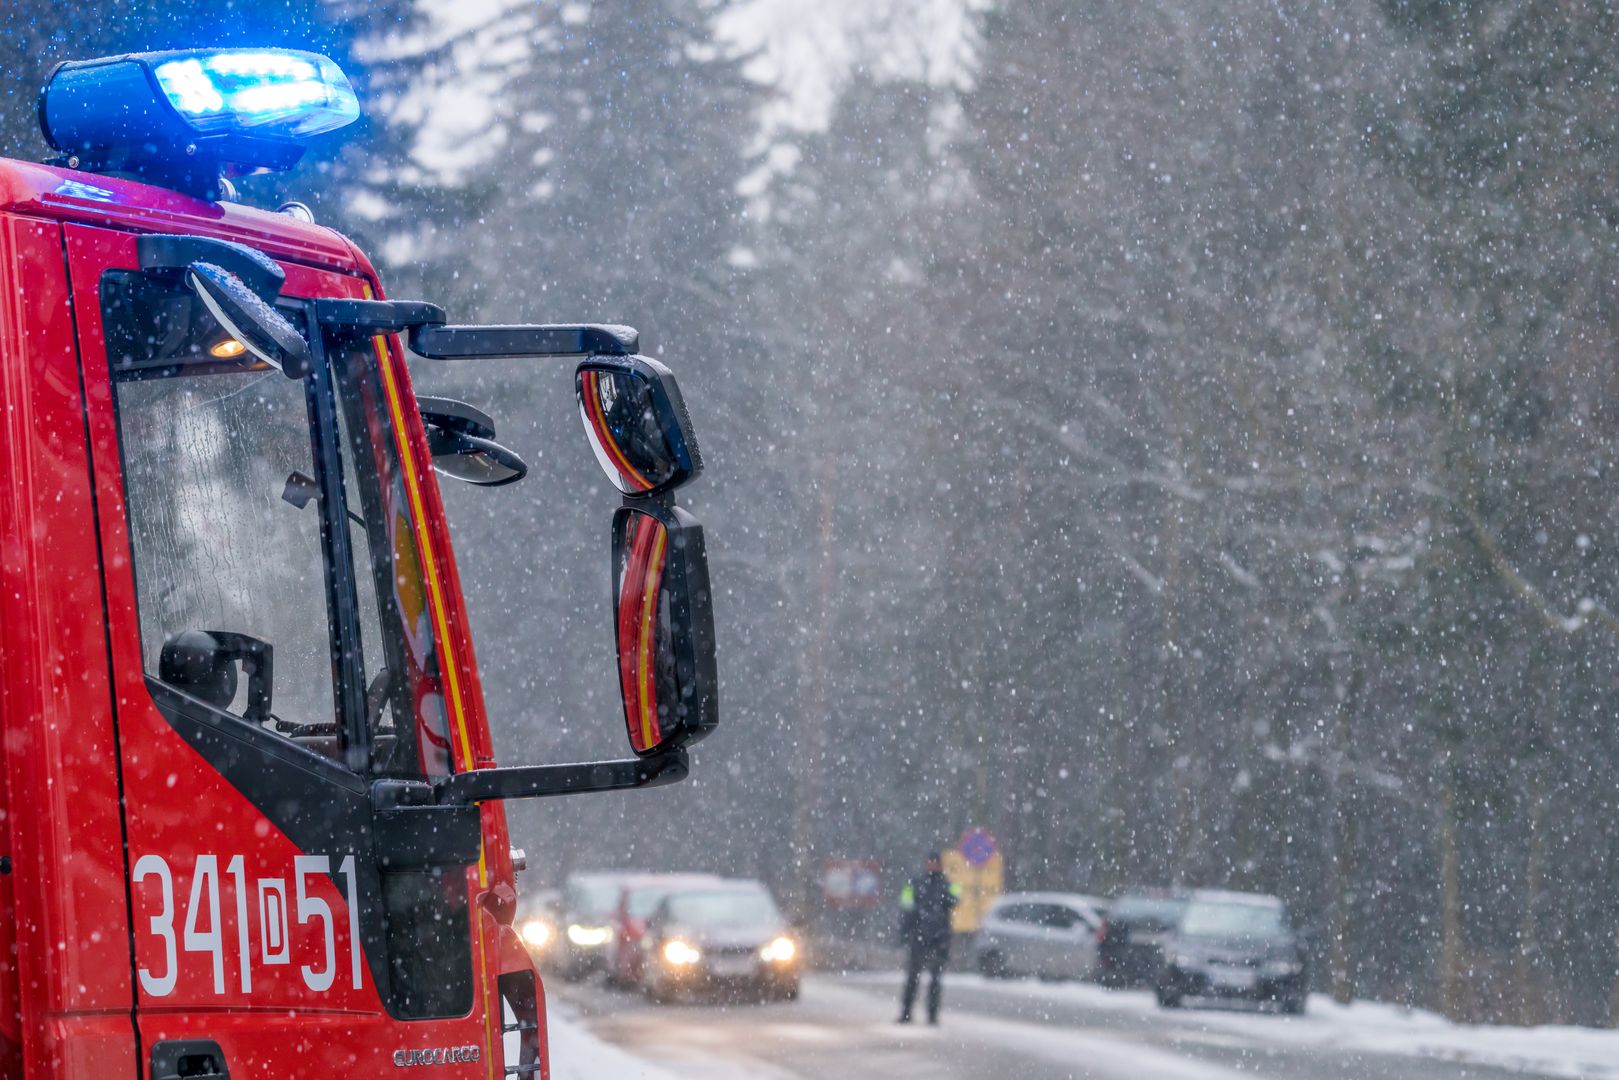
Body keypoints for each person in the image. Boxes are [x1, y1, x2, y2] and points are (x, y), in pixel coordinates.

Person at [897, 850, 960, 1024]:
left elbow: (955, 901)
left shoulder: (945, 885)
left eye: (935, 862)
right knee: (913, 978)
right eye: (930, 862)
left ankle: (931, 1015)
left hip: (938, 939)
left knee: (934, 979)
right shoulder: (916, 884)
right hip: (920, 937)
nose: (932, 865)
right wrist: (906, 932)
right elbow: (906, 908)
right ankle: (906, 1012)